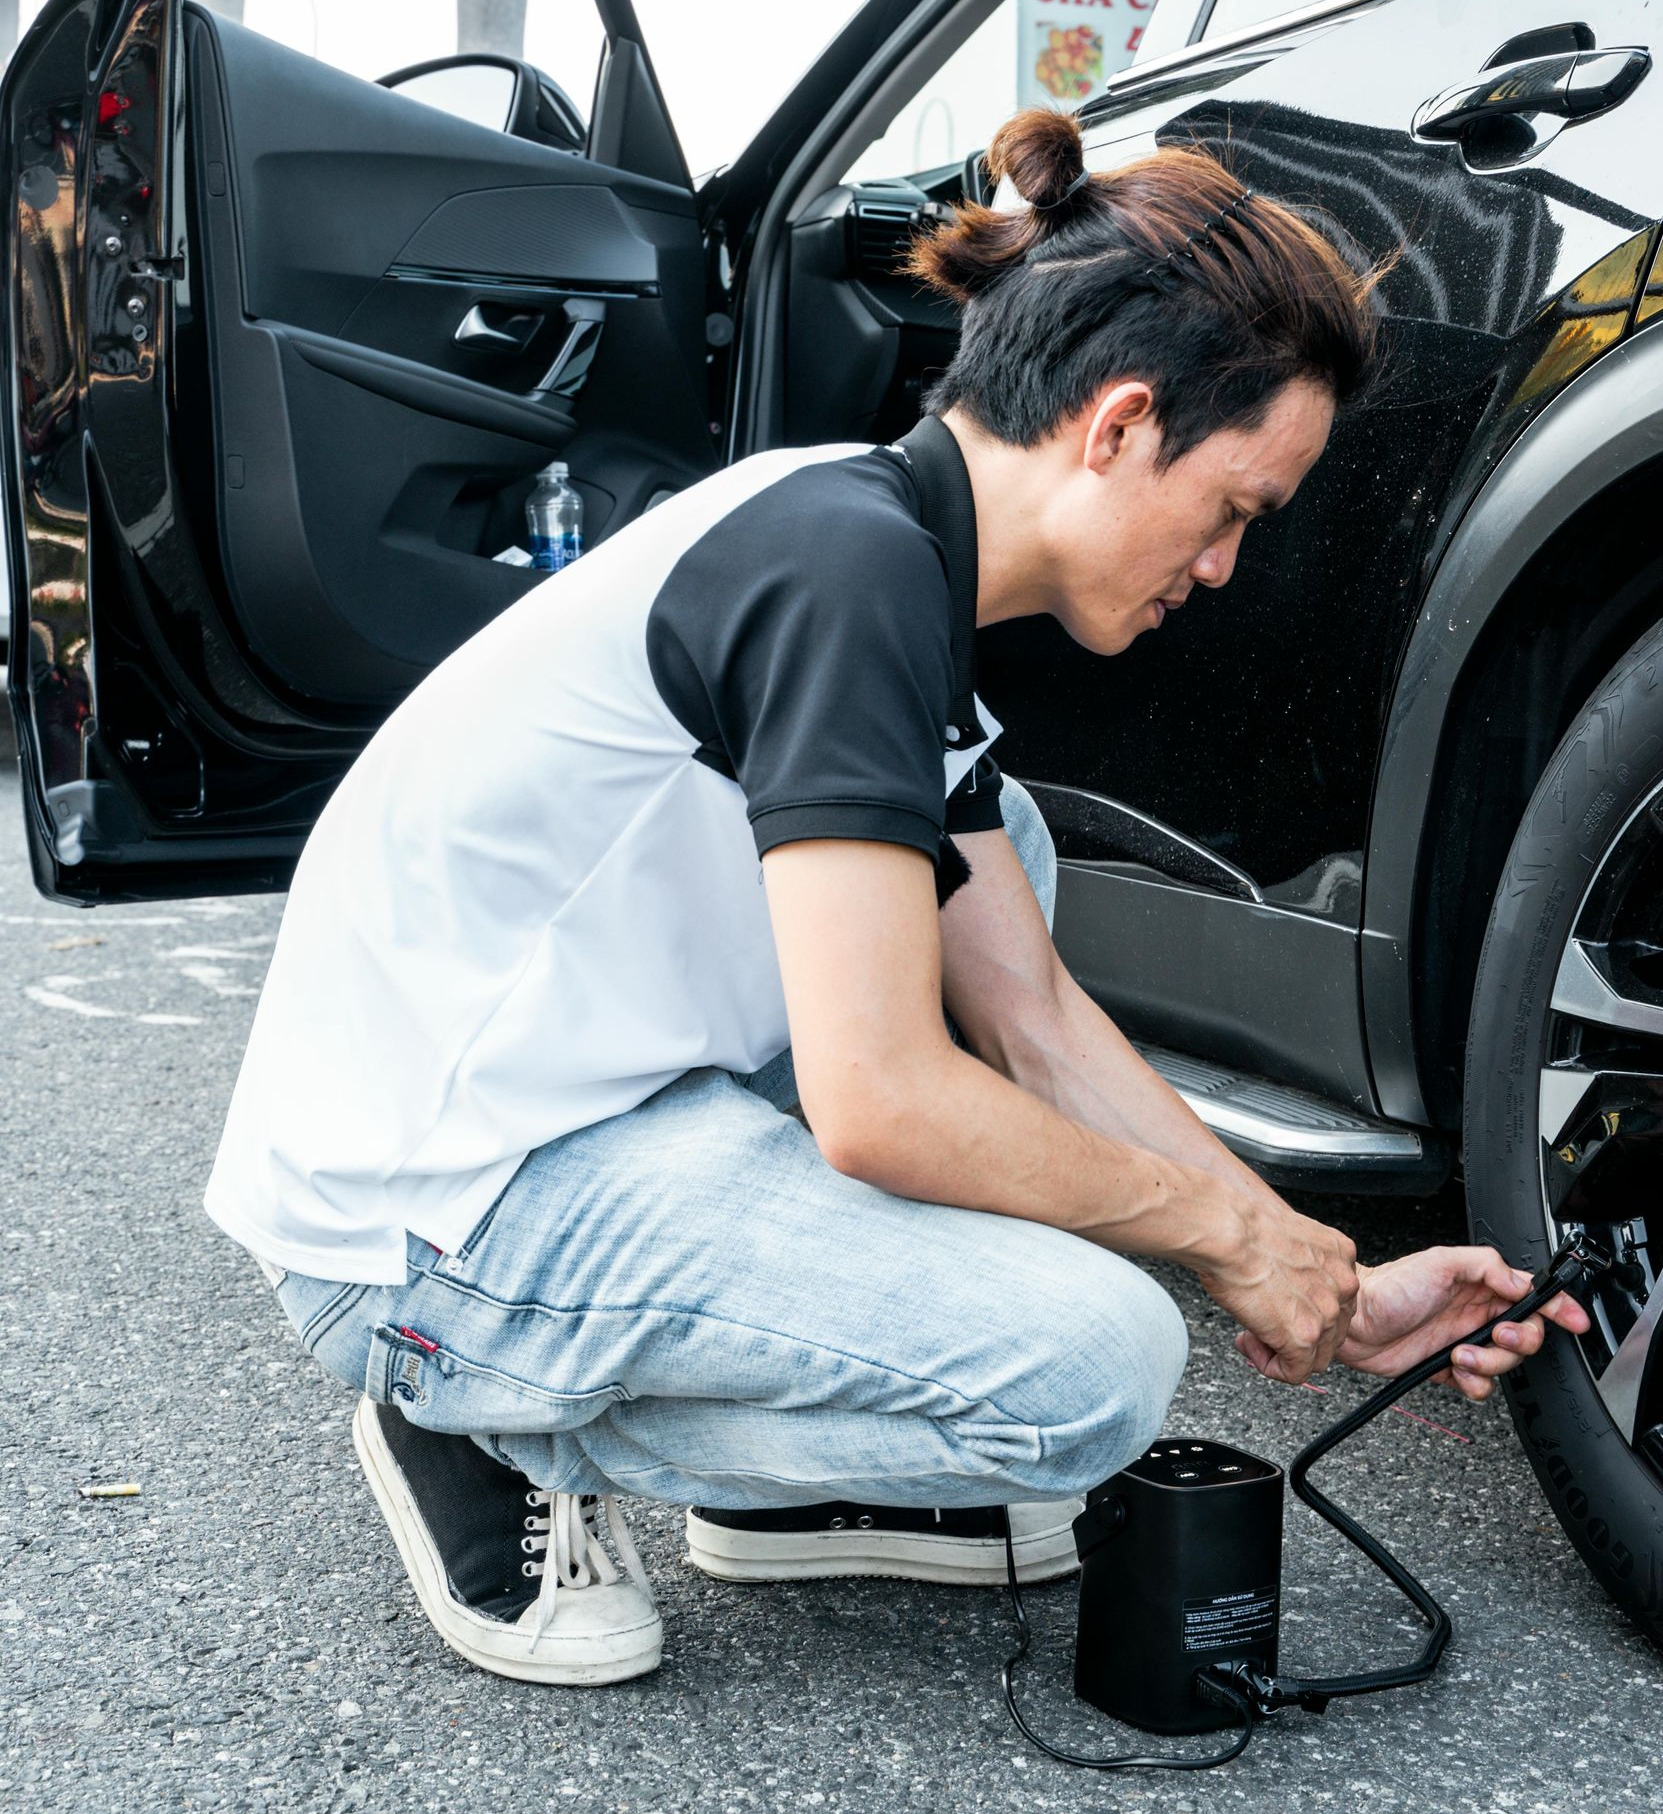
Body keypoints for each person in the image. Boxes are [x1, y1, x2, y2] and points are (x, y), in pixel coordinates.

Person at [206, 107, 1589, 1688]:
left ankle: (784, 1473)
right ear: (1120, 425)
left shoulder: (871, 534)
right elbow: (878, 1099)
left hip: (566, 1104)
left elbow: (1031, 1015)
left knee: (1010, 875)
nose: (1223, 568)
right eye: (1235, 509)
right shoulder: (847, 573)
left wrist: (1311, 1269)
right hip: (427, 1221)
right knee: (1096, 1368)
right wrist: (1213, 1238)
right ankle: (474, 1411)